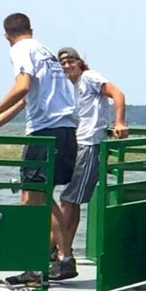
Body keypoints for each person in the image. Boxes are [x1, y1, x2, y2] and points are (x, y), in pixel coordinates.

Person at [0, 13, 79, 282]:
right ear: (31, 29)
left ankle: (56, 260)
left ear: (6, 36)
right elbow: (28, 98)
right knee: (35, 197)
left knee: (34, 198)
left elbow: (21, 87)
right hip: (64, 130)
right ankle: (57, 258)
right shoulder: (45, 51)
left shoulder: (21, 50)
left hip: (45, 132)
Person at [53, 47, 130, 277]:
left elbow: (118, 93)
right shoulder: (73, 86)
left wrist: (119, 122)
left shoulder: (90, 77)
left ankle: (61, 254)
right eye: (63, 63)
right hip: (78, 143)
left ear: (80, 62)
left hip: (91, 145)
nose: (67, 66)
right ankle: (62, 252)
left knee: (68, 200)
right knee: (70, 200)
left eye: (71, 61)